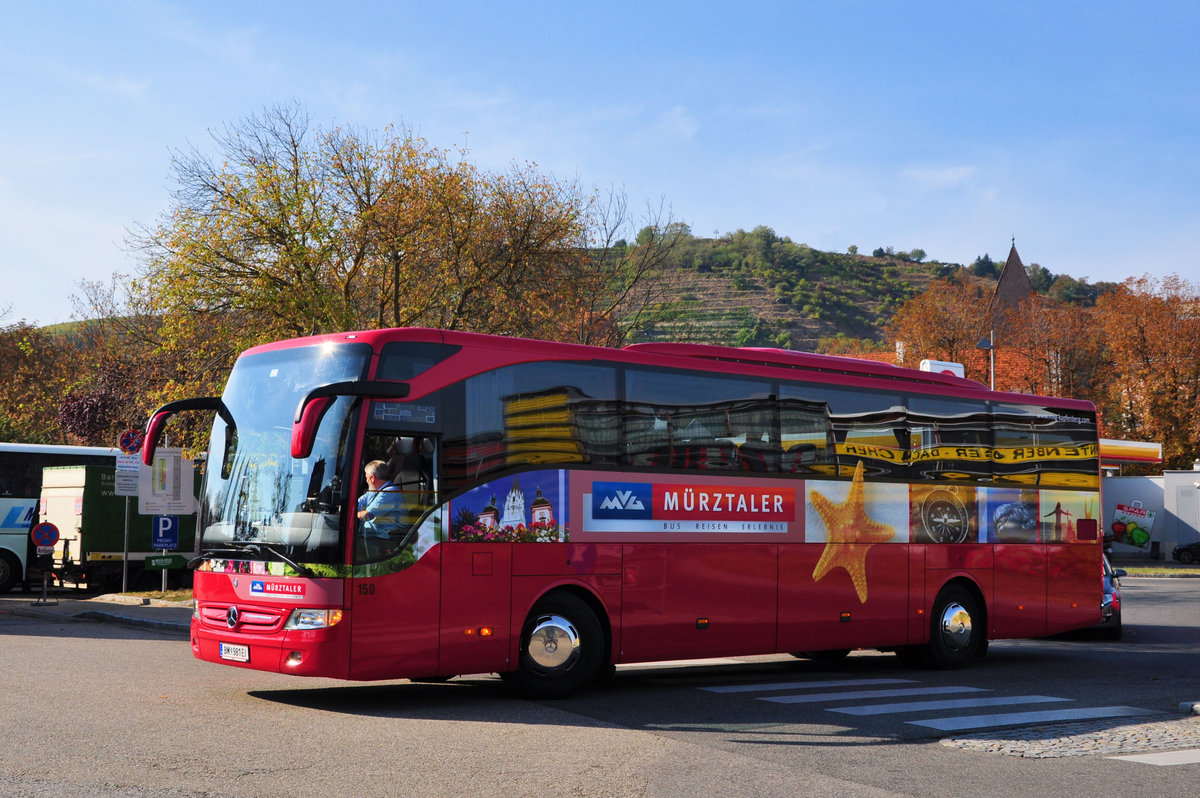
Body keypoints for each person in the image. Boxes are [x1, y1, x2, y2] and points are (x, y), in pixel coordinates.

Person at [357, 460, 407, 551]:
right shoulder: (374, 491)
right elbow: (356, 504)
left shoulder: (390, 492)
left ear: (372, 478)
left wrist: (349, 513)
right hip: (373, 536)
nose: (366, 481)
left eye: (366, 478)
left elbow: (367, 515)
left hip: (385, 541)